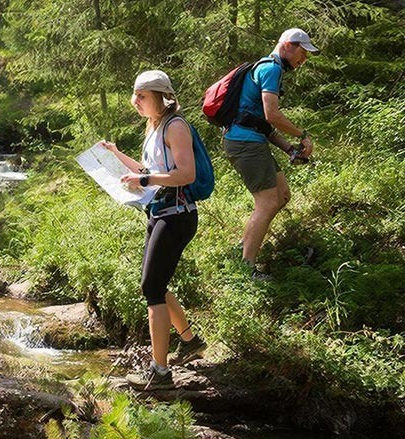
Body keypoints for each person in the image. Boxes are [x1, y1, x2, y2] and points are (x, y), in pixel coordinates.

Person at [102, 70, 207, 390]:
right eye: (134, 95)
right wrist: (116, 155)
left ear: (162, 96)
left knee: (151, 287)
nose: (135, 101)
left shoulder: (176, 126)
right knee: (155, 284)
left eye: (142, 96)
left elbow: (185, 174)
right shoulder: (156, 128)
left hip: (177, 215)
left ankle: (160, 372)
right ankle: (189, 341)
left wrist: (144, 181)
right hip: (161, 213)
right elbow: (151, 171)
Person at [223, 28, 319, 279]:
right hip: (245, 144)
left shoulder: (267, 67)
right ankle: (246, 269)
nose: (304, 59)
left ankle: (244, 249)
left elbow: (259, 123)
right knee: (267, 202)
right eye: (302, 51)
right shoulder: (272, 68)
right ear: (288, 45)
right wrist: (302, 135)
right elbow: (272, 115)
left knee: (282, 195)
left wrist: (289, 148)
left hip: (249, 139)